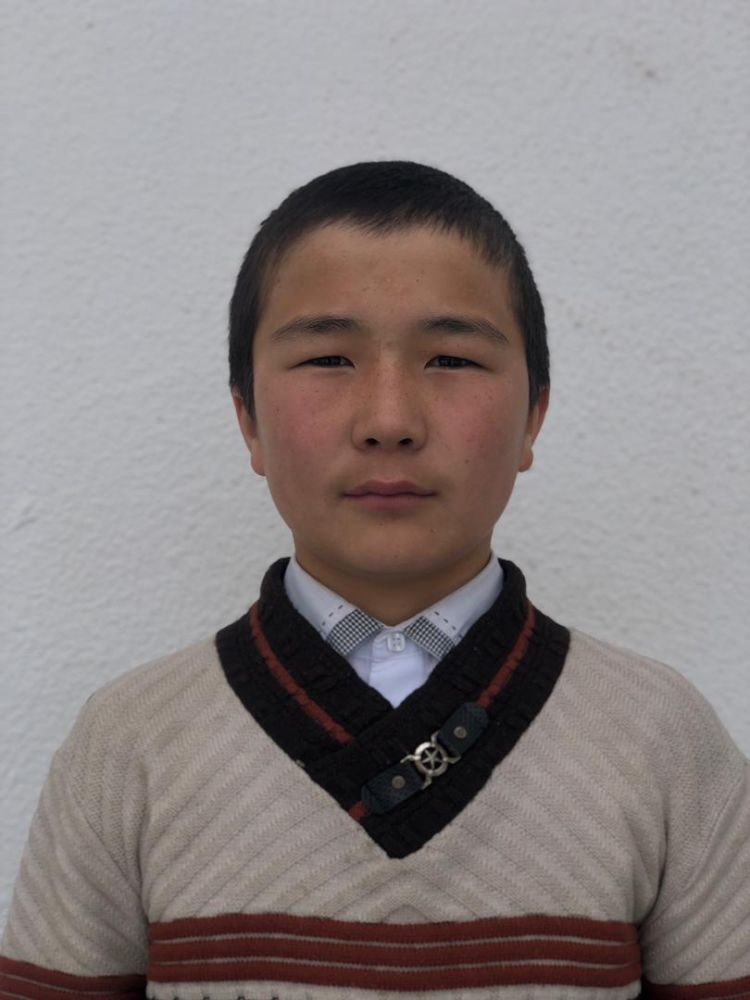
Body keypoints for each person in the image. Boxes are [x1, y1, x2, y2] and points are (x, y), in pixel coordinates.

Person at [1, 161, 748, 1000]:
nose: (389, 421)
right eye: (328, 357)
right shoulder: (129, 744)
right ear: (248, 419)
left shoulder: (662, 742)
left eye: (451, 359)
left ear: (534, 415)